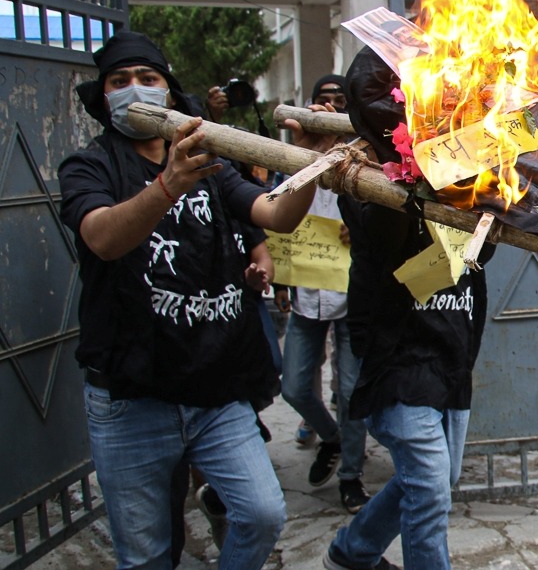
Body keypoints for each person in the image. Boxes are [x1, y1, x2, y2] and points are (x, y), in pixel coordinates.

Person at [58, 30, 335, 569]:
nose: (135, 88)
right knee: (147, 555)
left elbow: (276, 214)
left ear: (168, 90)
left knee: (261, 514)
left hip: (216, 388)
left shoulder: (211, 162)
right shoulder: (90, 166)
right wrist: (167, 185)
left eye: (148, 77)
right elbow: (102, 239)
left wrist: (311, 162)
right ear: (104, 95)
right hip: (130, 398)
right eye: (120, 80)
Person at [323, 47, 494, 570]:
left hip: (452, 344)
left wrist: (487, 174)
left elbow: (483, 251)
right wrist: (418, 167)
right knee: (429, 486)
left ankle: (352, 552)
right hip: (397, 352)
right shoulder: (361, 172)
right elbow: (391, 243)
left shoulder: (473, 162)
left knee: (438, 479)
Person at [279, 74, 371, 514]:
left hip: (352, 296)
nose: (330, 106)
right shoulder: (292, 156)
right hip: (306, 295)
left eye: (340, 100)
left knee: (351, 391)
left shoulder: (369, 157)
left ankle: (351, 475)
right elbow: (276, 214)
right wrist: (280, 280)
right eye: (323, 100)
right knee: (295, 386)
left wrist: (362, 229)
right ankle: (330, 437)